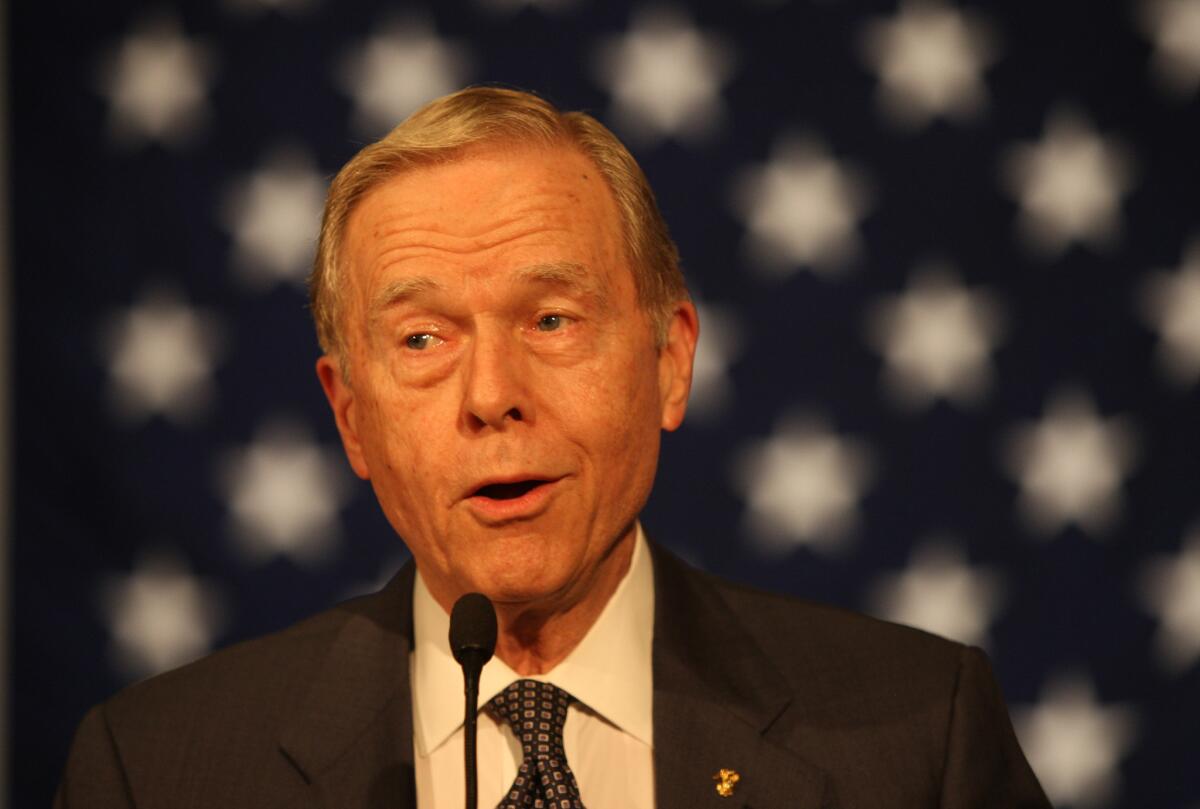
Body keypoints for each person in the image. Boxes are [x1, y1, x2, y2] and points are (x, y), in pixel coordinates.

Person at [56, 86, 1050, 809]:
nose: (492, 396)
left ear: (668, 360)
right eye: (421, 339)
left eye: (551, 320)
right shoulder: (159, 770)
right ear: (352, 415)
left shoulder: (920, 740)